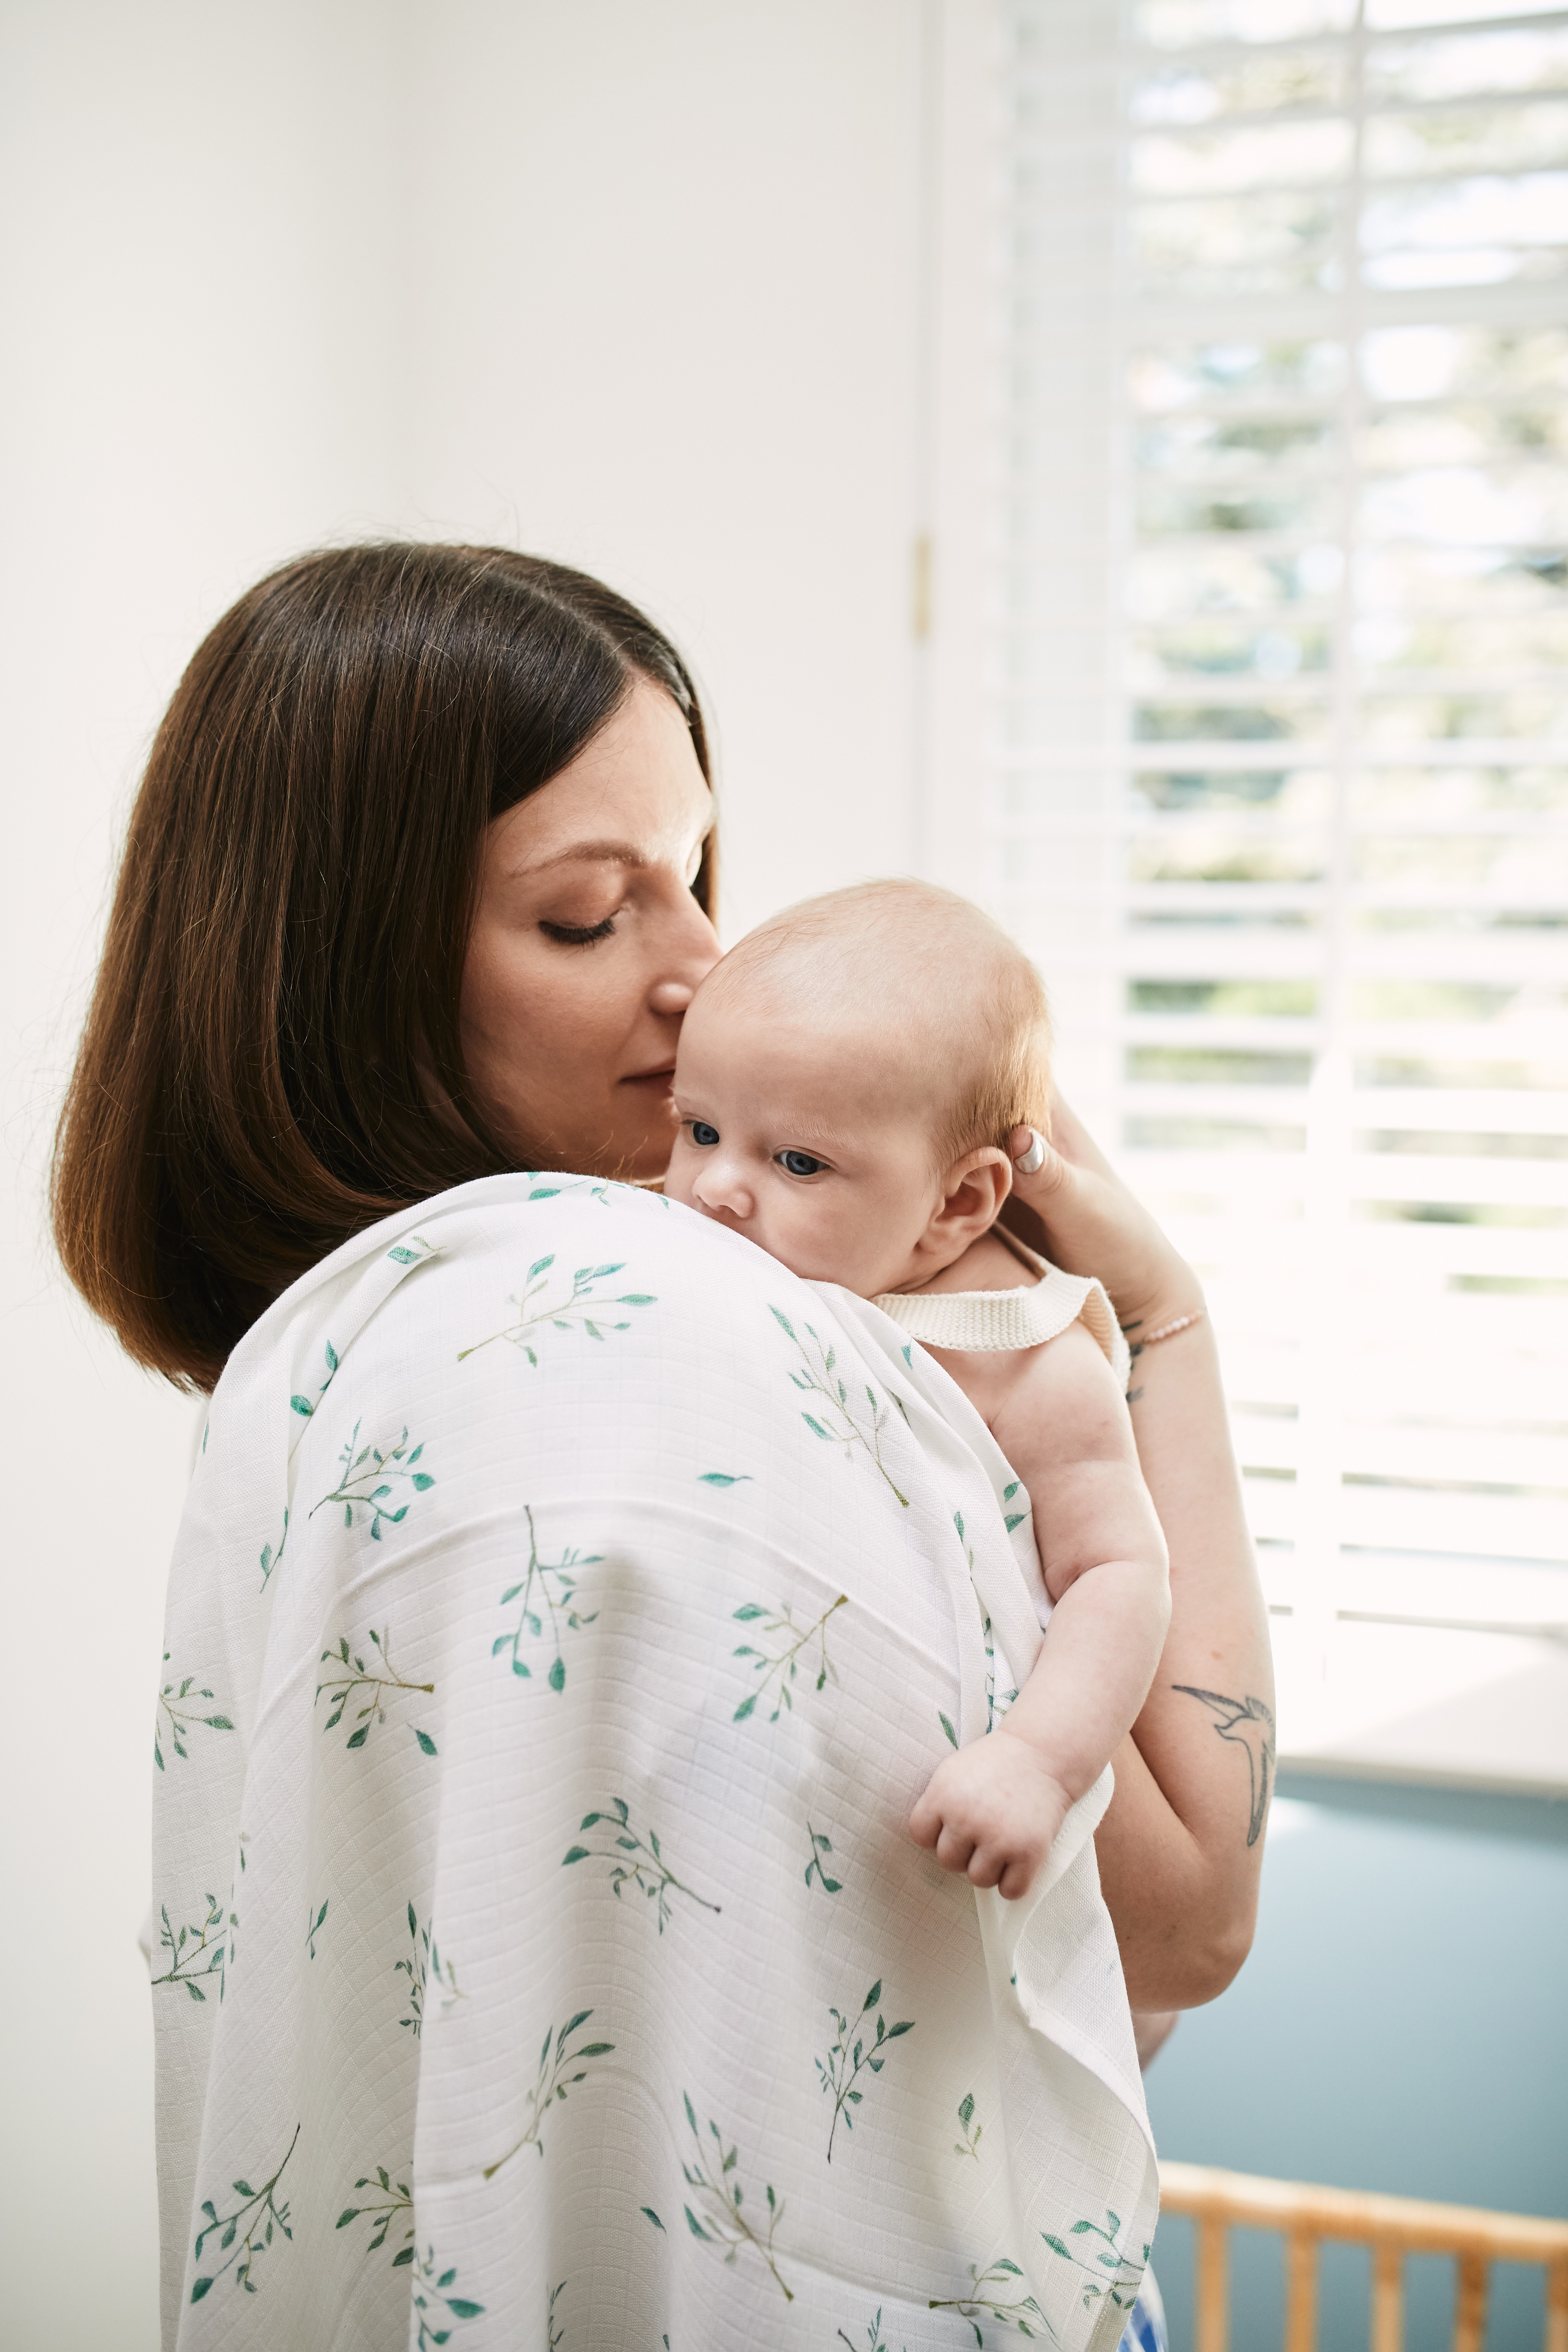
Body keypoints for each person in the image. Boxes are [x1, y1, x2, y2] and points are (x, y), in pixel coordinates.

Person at [52, 545, 1274, 2350]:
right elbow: (1188, 1918)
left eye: (696, 876)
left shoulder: (389, 1339)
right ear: (349, 976)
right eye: (585, 917)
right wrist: (1167, 1331)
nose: (704, 973)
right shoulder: (631, 1337)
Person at [664, 880, 1172, 1905]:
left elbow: (1119, 1573)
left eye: (797, 1159)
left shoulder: (1022, 1355)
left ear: (957, 1202)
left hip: (976, 1835)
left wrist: (1038, 1760)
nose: (715, 1186)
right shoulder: (726, 1254)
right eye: (699, 1128)